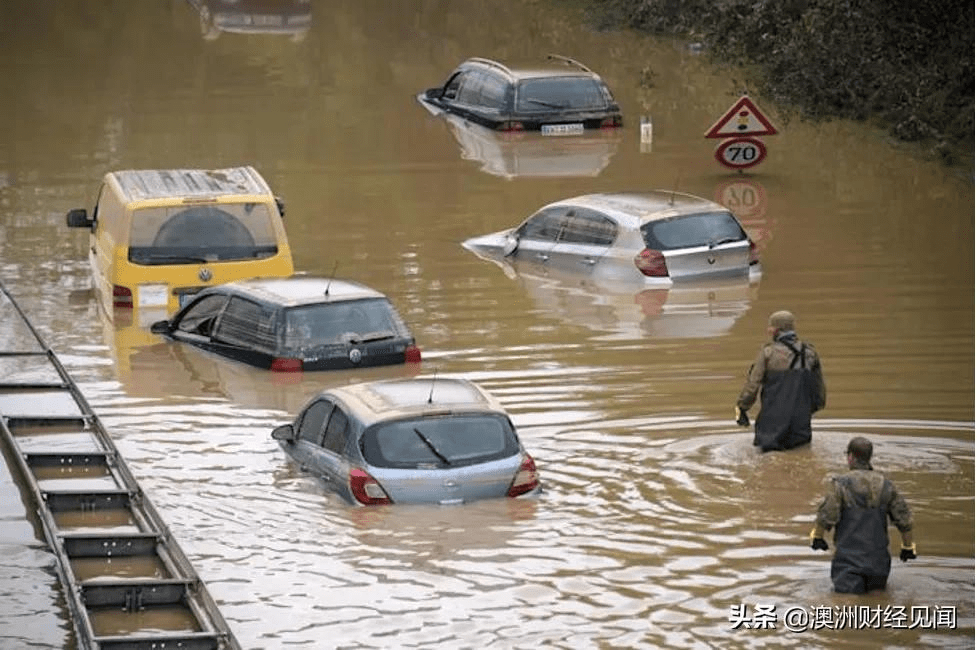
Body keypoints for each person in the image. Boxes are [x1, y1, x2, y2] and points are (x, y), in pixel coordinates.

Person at [810, 437, 916, 593]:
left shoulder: (840, 484)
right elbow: (904, 519)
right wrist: (908, 546)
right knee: (878, 603)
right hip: (879, 562)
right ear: (869, 457)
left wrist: (817, 537)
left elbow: (827, 515)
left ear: (851, 457)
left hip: (848, 562)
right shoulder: (886, 485)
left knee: (847, 606)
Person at [735, 310, 826, 452]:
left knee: (768, 462)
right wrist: (808, 411)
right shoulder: (810, 353)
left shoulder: (768, 353)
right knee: (800, 456)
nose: (768, 330)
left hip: (771, 425)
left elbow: (752, 386)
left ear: (777, 330)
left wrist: (742, 408)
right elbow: (819, 392)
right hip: (800, 425)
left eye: (770, 327)